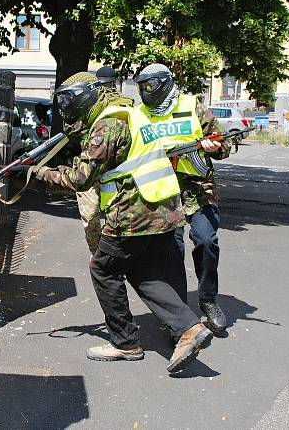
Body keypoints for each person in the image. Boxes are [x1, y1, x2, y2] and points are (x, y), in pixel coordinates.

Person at [30, 76, 213, 373]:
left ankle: (125, 342)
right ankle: (189, 328)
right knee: (142, 272)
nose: (66, 108)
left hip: (134, 213)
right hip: (163, 207)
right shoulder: (130, 112)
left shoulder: (107, 124)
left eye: (69, 101)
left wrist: (37, 174)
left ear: (87, 96)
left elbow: (79, 178)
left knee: (103, 268)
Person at [133, 64, 230, 333]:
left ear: (163, 84)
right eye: (142, 87)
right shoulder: (139, 114)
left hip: (198, 187)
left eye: (149, 86)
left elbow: (224, 144)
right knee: (171, 250)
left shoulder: (192, 106)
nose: (145, 92)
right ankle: (179, 316)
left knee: (206, 240)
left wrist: (215, 146)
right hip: (162, 189)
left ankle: (208, 299)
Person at [58, 71, 133, 254]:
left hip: (106, 167)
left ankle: (103, 257)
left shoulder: (118, 106)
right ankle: (102, 255)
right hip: (96, 163)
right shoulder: (96, 103)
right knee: (94, 214)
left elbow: (71, 130)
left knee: (96, 214)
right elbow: (71, 128)